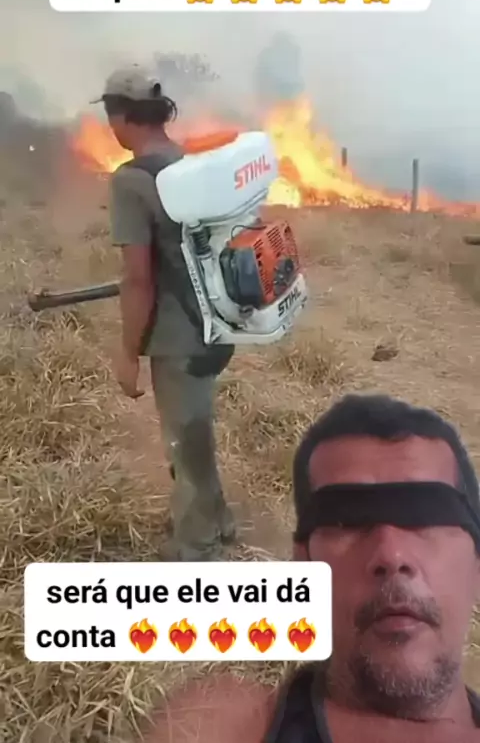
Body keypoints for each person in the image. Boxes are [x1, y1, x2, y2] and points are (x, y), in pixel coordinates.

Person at [140, 393, 480, 741]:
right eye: (346, 521)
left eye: (425, 516)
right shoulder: (223, 727)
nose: (391, 554)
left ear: (477, 565)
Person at [94, 63, 235, 562]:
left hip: (177, 334)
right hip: (217, 322)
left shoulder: (131, 181)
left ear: (122, 115)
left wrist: (128, 352)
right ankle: (217, 518)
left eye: (110, 115)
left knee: (184, 438)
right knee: (196, 428)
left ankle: (197, 547)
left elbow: (138, 278)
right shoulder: (188, 163)